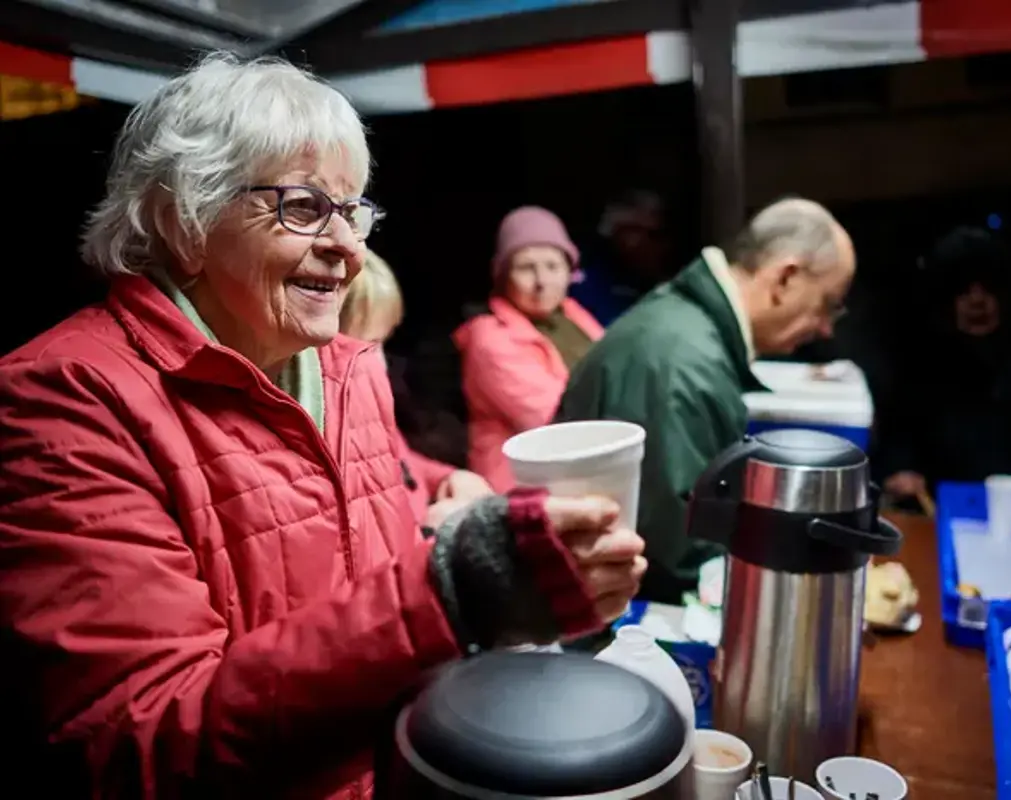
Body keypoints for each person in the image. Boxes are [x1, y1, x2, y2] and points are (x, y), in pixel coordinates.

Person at [0, 53, 647, 798]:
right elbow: (137, 742)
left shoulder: (348, 369)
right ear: (185, 223)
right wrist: (454, 588)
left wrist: (470, 540)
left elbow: (357, 573)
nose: (348, 247)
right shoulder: (67, 399)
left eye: (352, 210)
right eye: (303, 208)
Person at [559, 197, 855, 604]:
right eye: (828, 305)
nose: (825, 329)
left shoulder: (689, 327)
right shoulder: (681, 358)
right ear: (786, 277)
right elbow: (678, 550)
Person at [878, 227, 1011, 503]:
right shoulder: (920, 364)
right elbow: (897, 436)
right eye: (963, 291)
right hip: (940, 510)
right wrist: (900, 471)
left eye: (988, 288)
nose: (977, 300)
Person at [454, 206, 604, 492]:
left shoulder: (572, 315)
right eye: (526, 268)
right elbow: (553, 420)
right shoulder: (489, 337)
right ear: (503, 276)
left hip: (575, 474)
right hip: (522, 489)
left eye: (553, 266)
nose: (542, 282)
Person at [340, 249, 493, 529]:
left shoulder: (364, 404)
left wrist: (447, 478)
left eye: (384, 344)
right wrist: (427, 527)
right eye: (369, 347)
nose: (382, 362)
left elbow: (402, 462)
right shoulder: (333, 426)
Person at [571, 189, 673, 326]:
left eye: (654, 234)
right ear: (614, 229)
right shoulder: (583, 272)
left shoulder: (661, 283)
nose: (645, 241)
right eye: (636, 230)